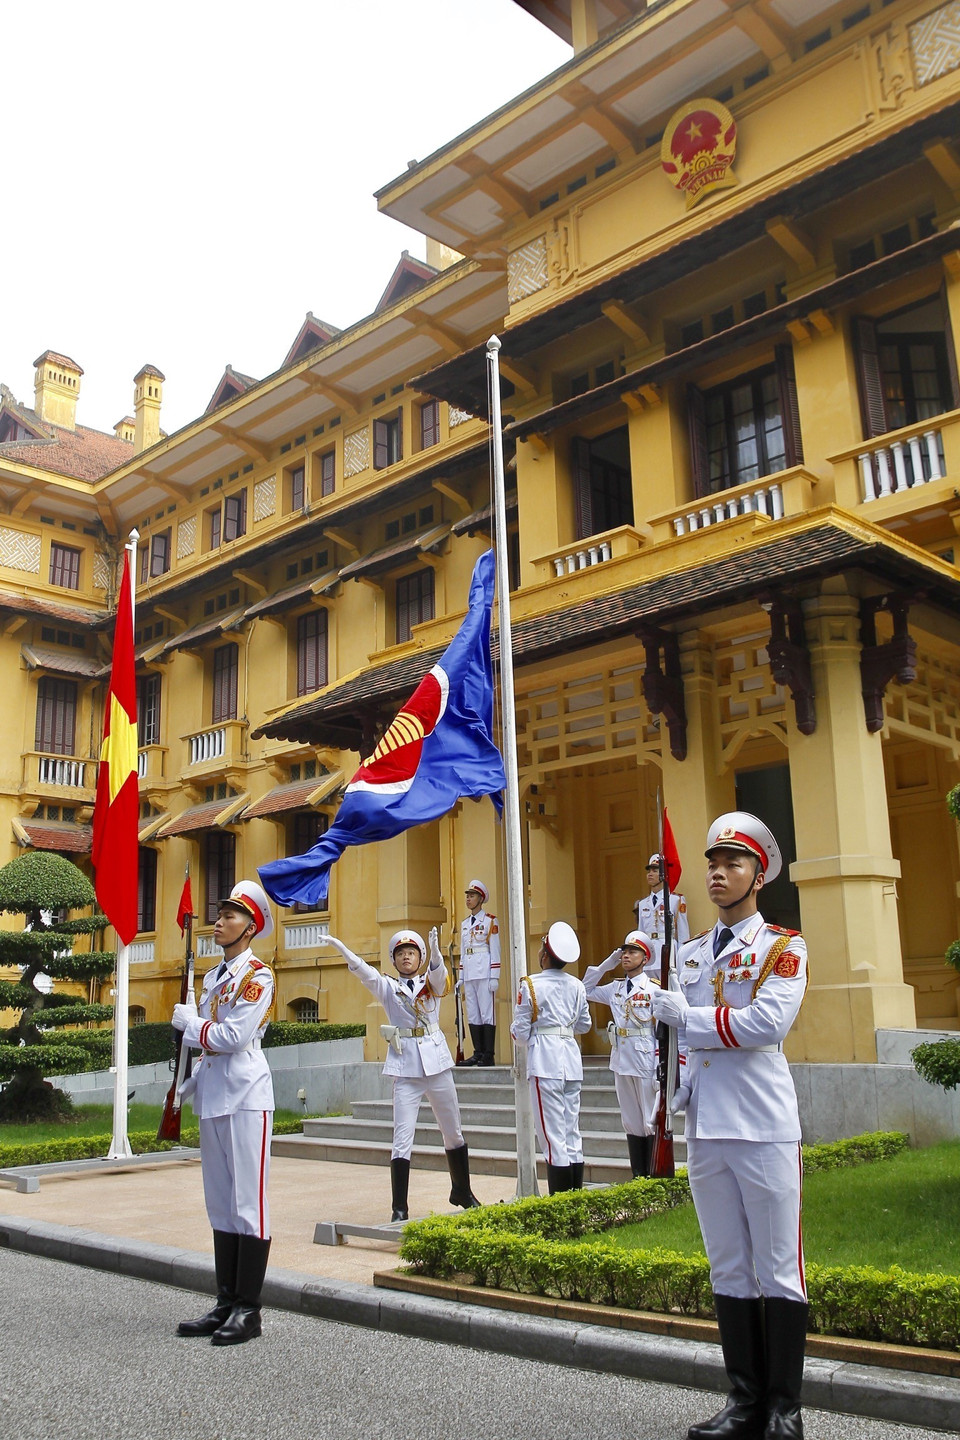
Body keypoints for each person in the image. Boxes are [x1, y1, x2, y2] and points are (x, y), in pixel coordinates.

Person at [651, 812, 808, 1440]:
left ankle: (784, 1410)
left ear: (758, 874)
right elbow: (689, 1047)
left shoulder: (780, 948)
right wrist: (680, 1082)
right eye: (712, 864)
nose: (718, 873)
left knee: (778, 1266)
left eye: (733, 864)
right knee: (729, 1266)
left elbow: (765, 1026)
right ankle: (744, 1403)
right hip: (709, 1125)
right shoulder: (689, 952)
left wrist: (684, 1018)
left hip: (764, 1123)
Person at [171, 880, 276, 1347]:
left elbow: (232, 1037)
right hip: (214, 1093)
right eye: (220, 913)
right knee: (220, 1201)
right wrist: (186, 1082)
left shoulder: (259, 975)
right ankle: (225, 1300)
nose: (220, 920)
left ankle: (249, 1310)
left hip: (247, 1094)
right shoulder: (214, 978)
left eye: (231, 915)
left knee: (247, 1203)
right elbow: (210, 1046)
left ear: (251, 927)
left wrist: (191, 1025)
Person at [324, 926, 480, 1222]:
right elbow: (363, 972)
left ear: (419, 958)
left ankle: (462, 1190)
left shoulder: (431, 983)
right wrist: (343, 949)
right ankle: (399, 1208)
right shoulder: (387, 987)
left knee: (453, 1131)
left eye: (412, 953)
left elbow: (438, 976)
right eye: (400, 954)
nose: (406, 957)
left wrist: (435, 953)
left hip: (436, 1064)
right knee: (402, 1137)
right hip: (406, 1067)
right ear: (393, 961)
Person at [510, 921, 591, 1195]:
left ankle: (560, 1202)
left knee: (551, 1135)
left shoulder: (531, 983)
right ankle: (576, 1198)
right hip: (571, 1058)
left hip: (545, 1060)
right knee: (571, 1133)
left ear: (545, 954)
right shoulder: (577, 986)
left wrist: (534, 1031)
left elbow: (520, 1033)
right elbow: (585, 1025)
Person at [582, 929, 660, 1179]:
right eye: (624, 951)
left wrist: (662, 1064)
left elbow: (663, 1030)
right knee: (630, 1119)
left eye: (632, 951)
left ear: (645, 958)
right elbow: (584, 989)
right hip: (621, 1059)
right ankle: (638, 1174)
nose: (626, 955)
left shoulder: (654, 989)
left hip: (646, 1059)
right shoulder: (614, 988)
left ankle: (654, 1173)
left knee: (649, 1119)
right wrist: (607, 964)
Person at [457, 879, 500, 1066]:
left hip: (484, 972)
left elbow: (495, 949)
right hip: (469, 973)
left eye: (472, 896)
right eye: (467, 896)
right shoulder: (465, 924)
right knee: (473, 1013)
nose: (468, 899)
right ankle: (477, 1052)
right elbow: (463, 950)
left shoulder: (490, 920)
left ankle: (488, 1054)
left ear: (480, 899)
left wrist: (494, 976)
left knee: (487, 1013)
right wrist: (460, 976)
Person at [635, 852, 689, 980]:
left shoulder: (675, 900)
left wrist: (682, 958)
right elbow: (640, 933)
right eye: (649, 870)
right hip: (649, 955)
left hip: (669, 951)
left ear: (663, 874)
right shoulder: (643, 904)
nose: (650, 874)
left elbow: (683, 933)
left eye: (655, 870)